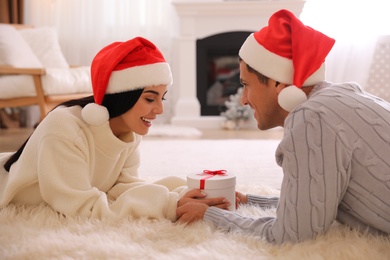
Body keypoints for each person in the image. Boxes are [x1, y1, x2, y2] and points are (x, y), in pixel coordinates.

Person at [176, 9, 390, 244]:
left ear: (278, 81)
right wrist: (249, 201)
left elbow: (292, 234)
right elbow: (316, 203)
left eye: (246, 85)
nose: (243, 100)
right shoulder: (342, 97)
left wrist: (209, 215)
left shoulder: (312, 118)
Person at [0, 37, 229, 220]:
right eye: (150, 99)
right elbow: (81, 208)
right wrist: (170, 207)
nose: (159, 110)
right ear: (122, 96)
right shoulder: (64, 128)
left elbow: (123, 186)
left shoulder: (130, 131)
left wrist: (183, 193)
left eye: (162, 98)